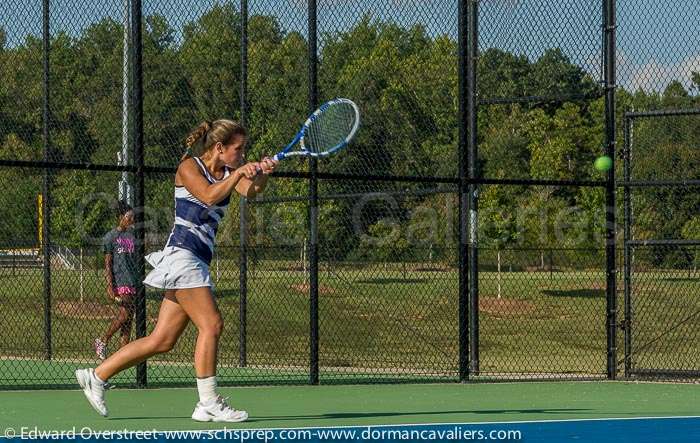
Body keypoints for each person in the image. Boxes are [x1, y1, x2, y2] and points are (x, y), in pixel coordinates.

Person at [76, 119, 276, 422]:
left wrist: (262, 174)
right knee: (212, 325)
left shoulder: (227, 172)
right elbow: (208, 195)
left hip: (195, 259)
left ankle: (97, 376)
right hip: (183, 256)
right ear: (220, 148)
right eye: (239, 148)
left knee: (162, 340)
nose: (242, 153)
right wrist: (239, 173)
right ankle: (208, 401)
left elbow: (251, 192)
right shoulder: (189, 168)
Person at [94, 201, 137, 363]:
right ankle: (103, 339)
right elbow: (108, 263)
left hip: (134, 281)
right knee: (125, 313)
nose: (132, 220)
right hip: (120, 281)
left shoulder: (134, 236)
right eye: (129, 217)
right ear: (121, 217)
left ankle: (123, 352)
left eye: (133, 217)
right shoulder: (111, 236)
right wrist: (110, 285)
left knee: (129, 318)